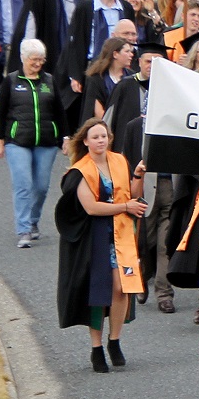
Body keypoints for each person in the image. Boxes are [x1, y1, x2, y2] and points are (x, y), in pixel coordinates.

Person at [54, 117, 146, 373]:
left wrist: (138, 175)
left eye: (104, 136)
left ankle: (114, 340)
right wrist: (125, 207)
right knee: (99, 292)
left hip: (121, 234)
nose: (100, 141)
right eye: (95, 137)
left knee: (122, 288)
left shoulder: (118, 160)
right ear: (85, 141)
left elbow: (131, 193)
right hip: (94, 236)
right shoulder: (81, 170)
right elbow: (92, 208)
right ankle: (96, 348)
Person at [0, 39, 68, 247]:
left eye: (41, 60)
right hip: (17, 141)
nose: (37, 64)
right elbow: (0, 113)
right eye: (33, 59)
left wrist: (65, 137)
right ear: (23, 59)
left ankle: (33, 220)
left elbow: (60, 112)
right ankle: (24, 229)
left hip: (46, 141)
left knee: (42, 186)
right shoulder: (11, 81)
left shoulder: (49, 81)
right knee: (23, 184)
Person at [80, 37, 134, 122]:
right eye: (127, 51)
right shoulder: (96, 79)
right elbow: (98, 113)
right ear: (115, 54)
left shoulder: (132, 77)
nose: (131, 55)